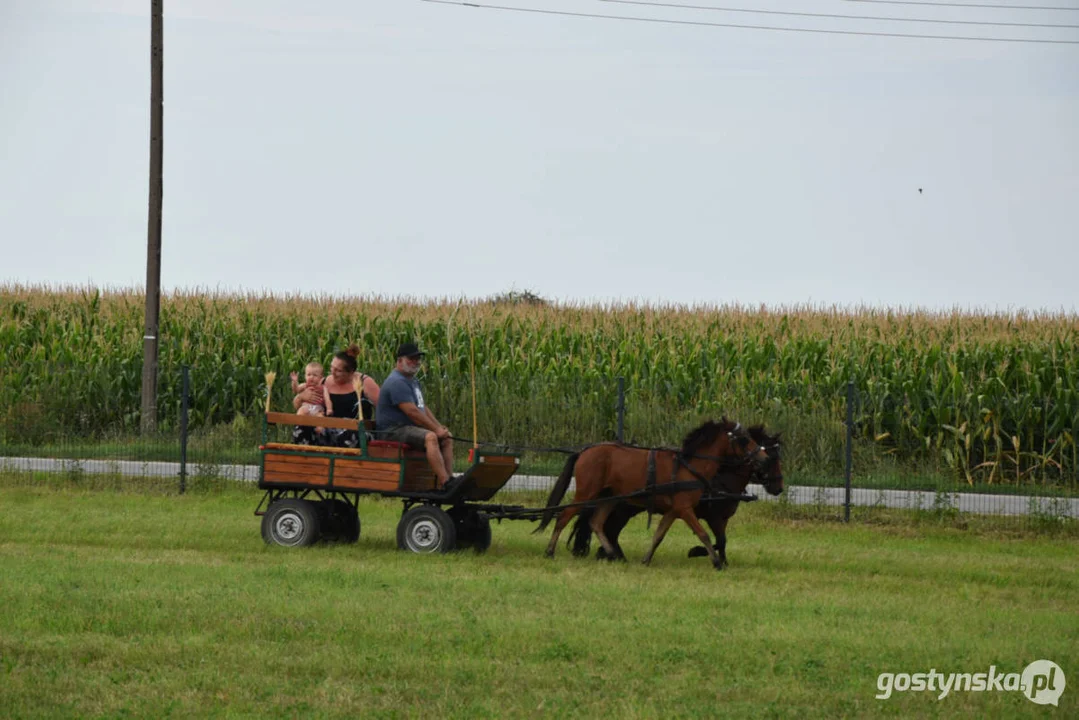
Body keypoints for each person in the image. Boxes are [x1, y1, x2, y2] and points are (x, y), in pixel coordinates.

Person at [376, 342, 458, 489]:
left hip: (407, 428)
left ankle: (451, 478)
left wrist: (439, 427)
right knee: (431, 437)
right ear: (399, 360)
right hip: (392, 431)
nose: (415, 362)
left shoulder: (413, 381)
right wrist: (435, 430)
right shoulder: (396, 382)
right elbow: (412, 412)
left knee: (447, 438)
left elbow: (422, 407)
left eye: (417, 359)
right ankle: (445, 482)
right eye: (411, 359)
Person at [292, 344, 380, 446]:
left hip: (354, 431)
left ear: (351, 372)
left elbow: (383, 407)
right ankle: (306, 459)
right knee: (301, 428)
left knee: (349, 435)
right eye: (331, 368)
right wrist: (301, 397)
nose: (332, 373)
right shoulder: (323, 382)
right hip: (327, 430)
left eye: (338, 370)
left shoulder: (365, 383)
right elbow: (301, 405)